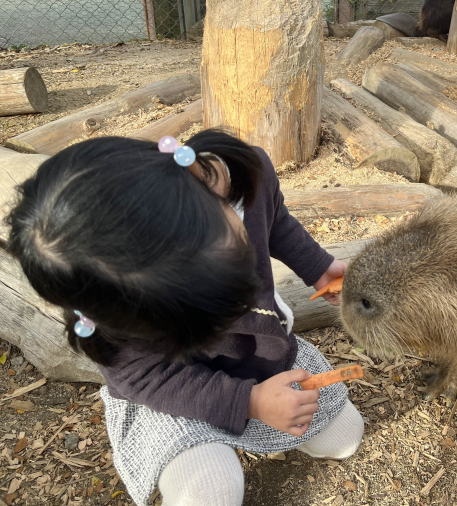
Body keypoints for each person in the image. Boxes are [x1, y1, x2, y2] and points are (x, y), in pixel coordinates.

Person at [5, 130, 364, 506]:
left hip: (256, 355)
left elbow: (273, 218)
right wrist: (250, 402)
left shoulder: (236, 179)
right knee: (211, 492)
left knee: (344, 440)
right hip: (179, 387)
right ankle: (203, 448)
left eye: (236, 249)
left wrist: (317, 266)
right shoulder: (116, 328)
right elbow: (150, 379)